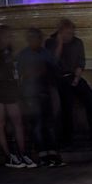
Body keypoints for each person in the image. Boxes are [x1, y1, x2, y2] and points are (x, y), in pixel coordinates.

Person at [0, 26, 35, 168]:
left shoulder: (7, 51)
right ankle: (9, 156)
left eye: (10, 36)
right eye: (7, 36)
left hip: (8, 90)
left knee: (17, 121)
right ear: (0, 37)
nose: (10, 39)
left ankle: (22, 153)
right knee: (1, 123)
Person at [46, 18, 92, 148]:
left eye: (72, 33)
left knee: (91, 100)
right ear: (60, 32)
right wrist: (60, 44)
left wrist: (77, 77)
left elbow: (80, 61)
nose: (70, 36)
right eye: (67, 33)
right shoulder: (50, 42)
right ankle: (67, 139)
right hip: (59, 78)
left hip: (74, 76)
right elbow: (52, 62)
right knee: (66, 105)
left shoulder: (77, 42)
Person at [17, 28, 63, 167]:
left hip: (44, 92)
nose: (35, 41)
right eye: (32, 39)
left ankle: (52, 153)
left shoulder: (44, 53)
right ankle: (43, 154)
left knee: (48, 124)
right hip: (32, 93)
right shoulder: (24, 55)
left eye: (37, 39)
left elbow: (54, 68)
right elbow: (22, 75)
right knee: (38, 125)